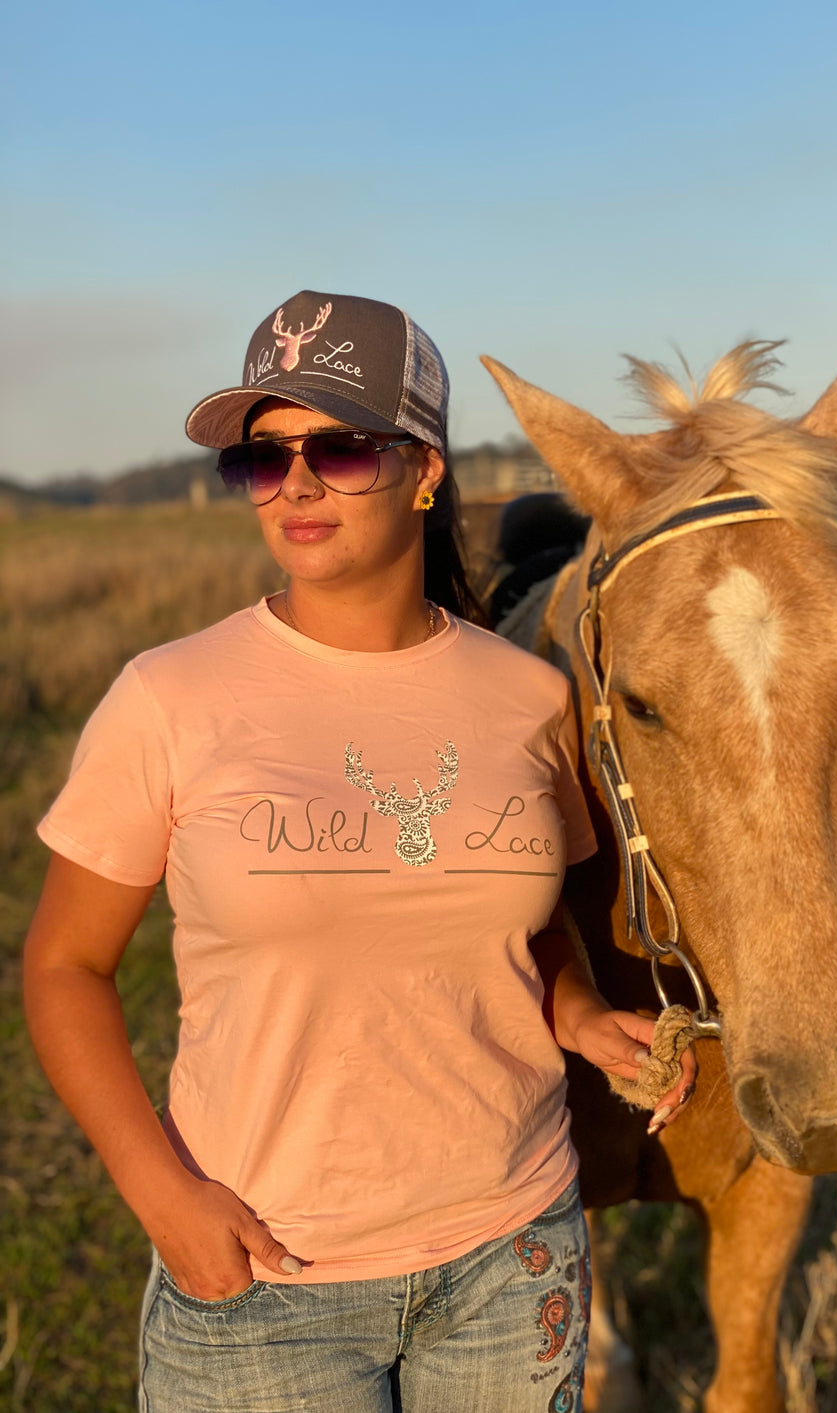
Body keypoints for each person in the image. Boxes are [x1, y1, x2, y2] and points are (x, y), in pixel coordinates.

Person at [23, 291, 695, 1413]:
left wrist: (576, 1015)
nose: (293, 483)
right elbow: (61, 970)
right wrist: (165, 1200)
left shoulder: (527, 698)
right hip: (268, 1279)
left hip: (512, 1252)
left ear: (425, 469)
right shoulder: (168, 698)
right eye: (263, 457)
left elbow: (537, 920)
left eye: (335, 450)